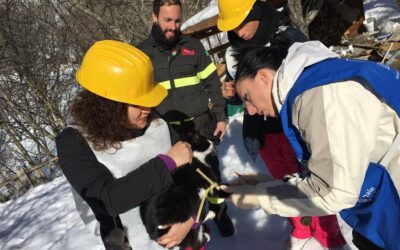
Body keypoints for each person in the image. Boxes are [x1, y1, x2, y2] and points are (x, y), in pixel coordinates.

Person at [222, 40, 400, 250]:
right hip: (382, 206)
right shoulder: (317, 80)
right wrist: (268, 185)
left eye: (247, 97)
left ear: (263, 77)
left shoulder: (321, 94)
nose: (250, 111)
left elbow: (334, 191)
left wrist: (263, 196)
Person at [217, 1, 347, 249]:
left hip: (298, 129)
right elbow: (243, 93)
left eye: (242, 23)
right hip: (263, 133)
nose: (238, 32)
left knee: (314, 179)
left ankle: (327, 232)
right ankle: (301, 225)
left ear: (254, 12)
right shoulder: (232, 52)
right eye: (232, 27)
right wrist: (231, 93)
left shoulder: (288, 37)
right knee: (283, 180)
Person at [56, 40, 196, 249]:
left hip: (186, 238)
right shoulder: (74, 141)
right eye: (137, 102)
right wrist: (166, 163)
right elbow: (108, 199)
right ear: (108, 104)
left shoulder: (156, 123)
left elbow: (194, 178)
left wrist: (192, 218)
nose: (148, 108)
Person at [137, 0, 235, 237]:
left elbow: (213, 82)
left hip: (200, 127)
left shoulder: (193, 46)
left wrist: (221, 116)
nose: (173, 26)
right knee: (181, 186)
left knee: (212, 178)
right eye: (167, 20)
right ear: (154, 17)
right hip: (166, 133)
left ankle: (220, 213)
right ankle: (192, 228)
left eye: (177, 20)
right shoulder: (141, 55)